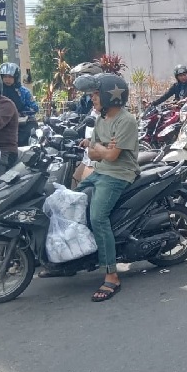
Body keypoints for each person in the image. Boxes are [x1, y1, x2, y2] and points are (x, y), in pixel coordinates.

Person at [67, 73, 139, 301]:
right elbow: (93, 153)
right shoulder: (101, 119)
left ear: (110, 95)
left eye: (96, 95)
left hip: (119, 174)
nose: (92, 99)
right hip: (100, 172)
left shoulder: (126, 120)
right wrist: (100, 148)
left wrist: (100, 148)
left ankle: (111, 275)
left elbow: (112, 156)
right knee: (72, 201)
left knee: (98, 217)